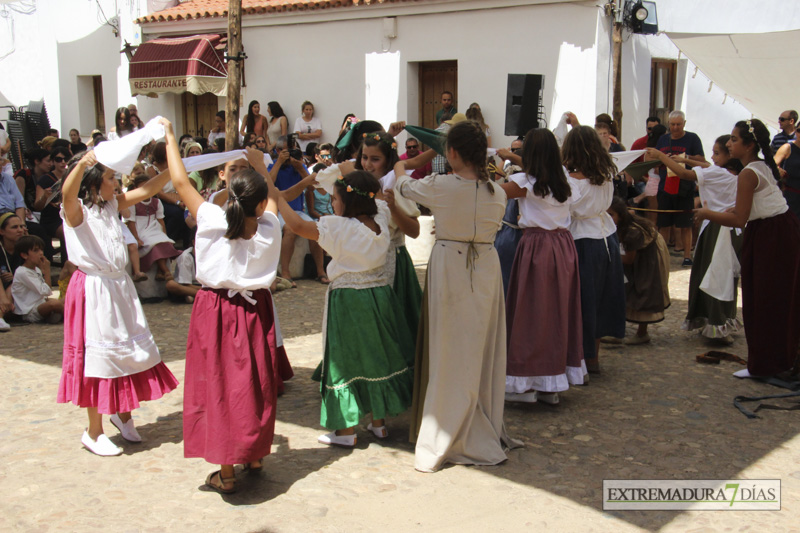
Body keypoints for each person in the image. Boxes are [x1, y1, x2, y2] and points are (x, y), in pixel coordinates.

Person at [160, 123, 282, 494]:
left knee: (219, 386)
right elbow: (271, 200)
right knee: (253, 385)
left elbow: (182, 184)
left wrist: (169, 138)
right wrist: (262, 166)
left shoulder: (212, 219)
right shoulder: (269, 227)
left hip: (214, 310)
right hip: (254, 311)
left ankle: (226, 472)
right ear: (259, 205)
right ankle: (254, 453)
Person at [395, 120, 519, 472]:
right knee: (478, 344)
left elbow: (403, 184)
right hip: (486, 267)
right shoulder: (498, 192)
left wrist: (402, 162)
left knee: (449, 346)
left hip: (452, 264)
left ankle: (447, 421)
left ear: (452, 153)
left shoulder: (442, 186)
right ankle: (475, 414)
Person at [279, 170, 414, 447]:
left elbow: (296, 225)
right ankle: (379, 423)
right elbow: (368, 197)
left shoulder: (338, 227)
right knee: (378, 355)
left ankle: (345, 431)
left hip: (350, 300)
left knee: (345, 360)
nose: (333, 203)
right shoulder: (380, 217)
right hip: (380, 295)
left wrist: (275, 194)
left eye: (336, 199)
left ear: (347, 203)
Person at [57, 149, 179, 457]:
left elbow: (148, 189)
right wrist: (84, 163)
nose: (117, 183)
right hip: (94, 289)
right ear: (94, 182)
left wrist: (177, 164)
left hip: (118, 287)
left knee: (125, 350)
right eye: (111, 178)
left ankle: (122, 413)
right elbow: (67, 194)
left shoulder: (111, 204)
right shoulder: (77, 211)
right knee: (97, 357)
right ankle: (93, 430)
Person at [695, 119, 800, 378]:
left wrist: (707, 213)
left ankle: (767, 364)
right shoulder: (759, 166)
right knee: (767, 298)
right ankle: (769, 360)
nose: (729, 144)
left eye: (733, 139)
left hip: (772, 236)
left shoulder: (749, 172)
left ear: (749, 144)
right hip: (775, 231)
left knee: (765, 300)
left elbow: (739, 219)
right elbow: (757, 203)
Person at [500, 128, 585, 405]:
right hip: (563, 246)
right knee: (557, 312)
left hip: (537, 247)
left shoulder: (525, 182)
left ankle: (526, 384)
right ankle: (551, 384)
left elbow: (495, 194)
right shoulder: (566, 182)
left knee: (531, 312)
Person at [647, 135, 744, 343]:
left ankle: (717, 324)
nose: (712, 157)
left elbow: (684, 174)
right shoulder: (733, 173)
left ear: (729, 154)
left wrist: (660, 156)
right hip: (726, 228)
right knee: (720, 274)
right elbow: (706, 164)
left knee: (715, 275)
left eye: (717, 153)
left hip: (718, 229)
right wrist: (686, 158)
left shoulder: (718, 173)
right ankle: (719, 319)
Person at [562, 126, 626, 374]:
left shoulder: (572, 181)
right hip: (605, 237)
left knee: (583, 301)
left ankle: (579, 361)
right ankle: (592, 358)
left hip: (582, 239)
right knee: (599, 298)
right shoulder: (606, 174)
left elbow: (568, 209)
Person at [608, 197, 670, 344]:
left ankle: (642, 333)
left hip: (648, 258)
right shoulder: (620, 227)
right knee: (620, 290)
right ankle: (616, 331)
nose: (608, 218)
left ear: (621, 216)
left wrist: (610, 256)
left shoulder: (632, 231)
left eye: (611, 215)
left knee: (644, 289)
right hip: (635, 254)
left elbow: (629, 259)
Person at [269, 137, 328, 286]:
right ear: (278, 151)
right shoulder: (271, 166)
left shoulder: (298, 167)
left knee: (316, 229)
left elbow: (311, 187)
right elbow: (269, 184)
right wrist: (279, 162)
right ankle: (286, 272)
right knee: (290, 229)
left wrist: (301, 168)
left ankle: (320, 271)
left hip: (297, 210)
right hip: (279, 210)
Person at [655, 110, 706, 266]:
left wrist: (685, 158)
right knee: (664, 223)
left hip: (684, 187)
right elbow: (656, 160)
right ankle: (662, 256)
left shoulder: (692, 138)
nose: (675, 128)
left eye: (678, 124)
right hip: (666, 186)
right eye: (672, 124)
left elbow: (702, 160)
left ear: (684, 124)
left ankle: (687, 256)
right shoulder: (663, 139)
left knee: (685, 224)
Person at [124, 175, 181, 281]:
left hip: (154, 229)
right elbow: (131, 223)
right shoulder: (133, 203)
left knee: (164, 241)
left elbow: (161, 221)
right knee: (155, 244)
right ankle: (166, 271)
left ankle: (161, 271)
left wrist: (165, 235)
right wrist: (136, 238)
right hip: (141, 230)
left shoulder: (157, 202)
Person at [11, 235, 64, 323]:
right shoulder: (23, 272)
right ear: (24, 255)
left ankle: (56, 314)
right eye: (36, 250)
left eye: (41, 250)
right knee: (54, 304)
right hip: (30, 311)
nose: (41, 253)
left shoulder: (36, 269)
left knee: (68, 298)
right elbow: (46, 291)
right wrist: (47, 270)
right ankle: (70, 316)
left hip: (40, 304)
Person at [774, 129, 800, 219]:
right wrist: (777, 169)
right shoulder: (787, 147)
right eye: (799, 130)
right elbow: (771, 166)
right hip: (788, 198)